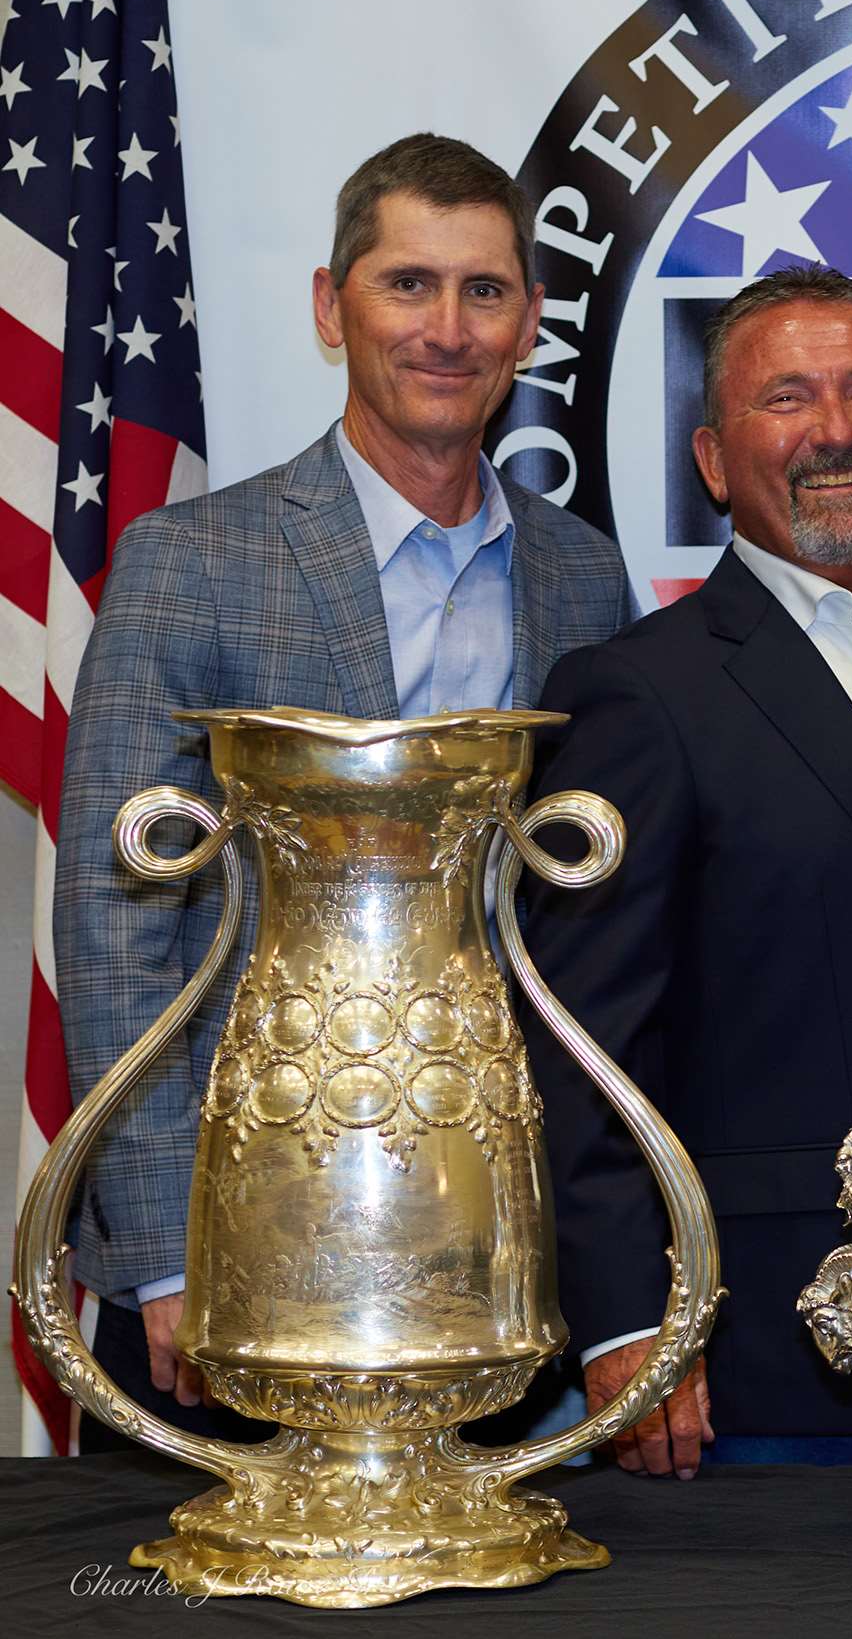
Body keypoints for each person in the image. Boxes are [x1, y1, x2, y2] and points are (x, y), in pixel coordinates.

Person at [55, 133, 634, 1451]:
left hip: (491, 1254)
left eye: (484, 291)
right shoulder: (192, 561)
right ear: (332, 306)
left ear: (530, 322)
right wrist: (164, 1249)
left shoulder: (581, 577)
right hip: (241, 1237)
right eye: (407, 284)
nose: (448, 329)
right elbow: (114, 920)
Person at [517, 265, 852, 1477]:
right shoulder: (638, 694)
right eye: (786, 399)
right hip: (774, 1355)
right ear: (713, 461)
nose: (834, 431)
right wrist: (625, 1319)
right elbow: (577, 1044)